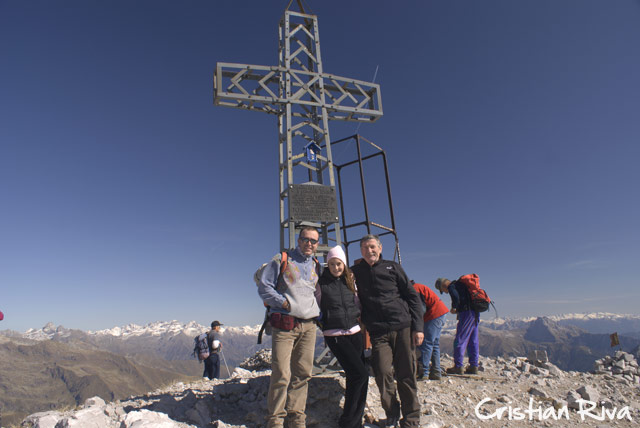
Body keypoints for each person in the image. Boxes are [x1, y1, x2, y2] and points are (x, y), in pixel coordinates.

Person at [351, 234, 424, 428]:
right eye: (365, 248)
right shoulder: (356, 271)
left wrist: (418, 327)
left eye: (373, 247)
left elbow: (412, 297)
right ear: (361, 251)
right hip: (378, 332)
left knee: (406, 373)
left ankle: (411, 418)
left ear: (380, 248)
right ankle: (392, 414)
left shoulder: (393, 268)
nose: (370, 251)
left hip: (402, 327)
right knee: (382, 373)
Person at [258, 226, 321, 428]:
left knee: (303, 373)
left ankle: (297, 419)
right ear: (298, 240)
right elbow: (264, 286)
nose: (309, 244)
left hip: (309, 325)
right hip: (285, 324)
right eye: (306, 239)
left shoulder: (316, 264)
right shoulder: (282, 259)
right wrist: (283, 303)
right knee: (282, 373)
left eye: (313, 241)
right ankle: (275, 421)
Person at [315, 245, 368, 428]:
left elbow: (357, 302)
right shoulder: (321, 283)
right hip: (334, 334)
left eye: (338, 264)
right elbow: (315, 304)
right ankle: (347, 422)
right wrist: (321, 321)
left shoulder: (349, 281)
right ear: (327, 265)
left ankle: (356, 421)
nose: (335, 267)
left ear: (344, 264)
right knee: (359, 373)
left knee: (360, 377)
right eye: (331, 264)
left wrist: (359, 320)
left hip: (355, 332)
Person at [435, 277, 480, 375]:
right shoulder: (462, 285)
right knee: (473, 340)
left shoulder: (452, 286)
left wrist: (454, 307)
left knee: (460, 339)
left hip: (466, 313)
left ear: (443, 285)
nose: (445, 292)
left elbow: (455, 296)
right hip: (475, 312)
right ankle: (474, 366)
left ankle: (458, 366)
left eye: (442, 290)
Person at [411, 281, 448, 381]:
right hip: (440, 313)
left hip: (434, 315)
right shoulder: (418, 287)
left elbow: (420, 310)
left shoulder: (414, 290)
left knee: (426, 343)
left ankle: (424, 372)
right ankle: (436, 372)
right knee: (434, 343)